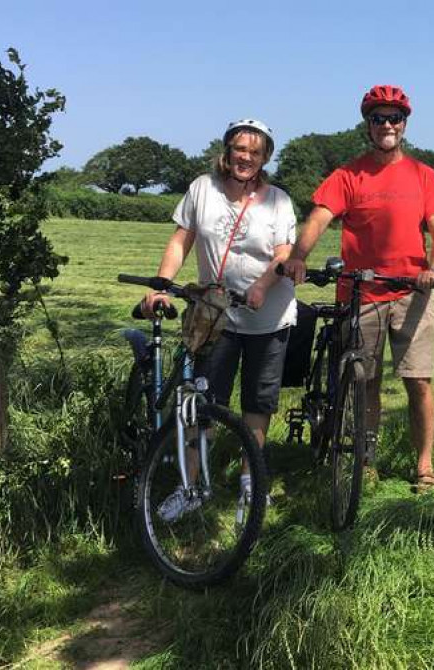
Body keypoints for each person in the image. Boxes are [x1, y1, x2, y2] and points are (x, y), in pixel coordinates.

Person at [282, 85, 434, 492]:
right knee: (365, 383)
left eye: (394, 118)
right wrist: (299, 256)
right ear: (368, 125)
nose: (387, 124)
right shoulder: (348, 175)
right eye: (379, 118)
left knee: (419, 381)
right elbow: (320, 218)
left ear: (404, 124)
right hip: (362, 293)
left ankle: (424, 465)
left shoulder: (423, 175)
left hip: (411, 290)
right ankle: (365, 459)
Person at [142, 118, 298, 520]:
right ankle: (192, 486)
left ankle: (251, 483)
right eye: (239, 149)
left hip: (268, 316)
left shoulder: (278, 200)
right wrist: (162, 284)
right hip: (216, 316)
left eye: (255, 151)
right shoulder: (202, 189)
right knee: (204, 401)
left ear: (265, 158)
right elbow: (181, 240)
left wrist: (263, 285)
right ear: (227, 152)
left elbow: (283, 253)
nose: (245, 157)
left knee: (256, 404)